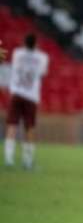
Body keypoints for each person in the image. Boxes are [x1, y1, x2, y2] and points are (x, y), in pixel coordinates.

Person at [4, 34, 49, 169]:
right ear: (36, 44)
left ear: (24, 42)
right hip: (31, 95)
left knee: (12, 125)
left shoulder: (17, 53)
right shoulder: (42, 57)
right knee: (29, 127)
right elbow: (43, 73)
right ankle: (27, 161)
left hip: (17, 92)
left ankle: (9, 159)